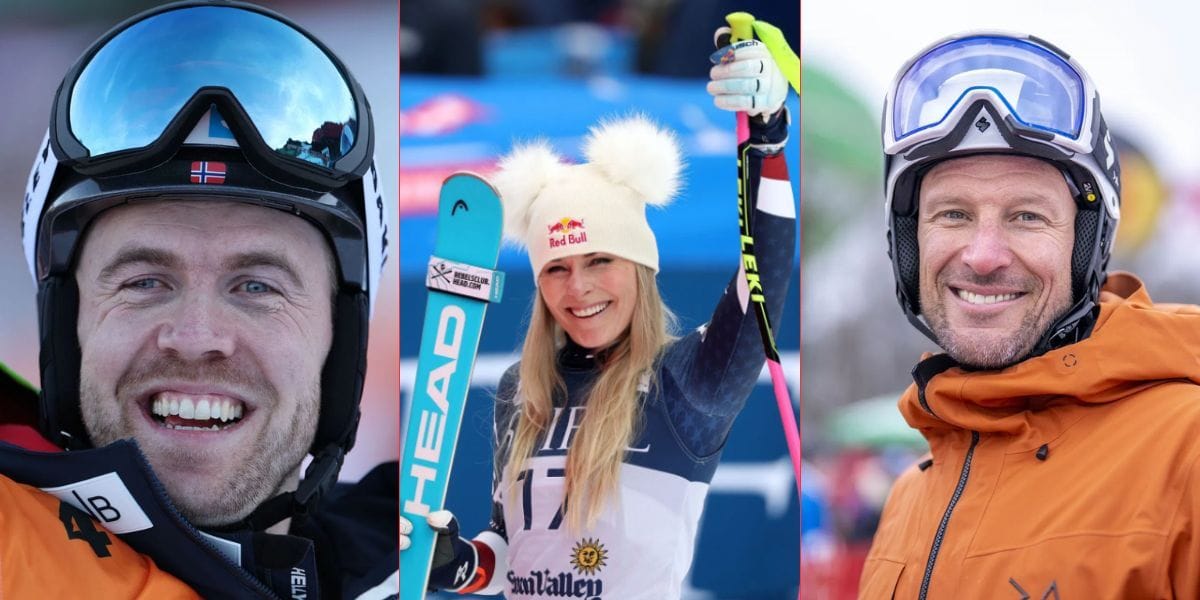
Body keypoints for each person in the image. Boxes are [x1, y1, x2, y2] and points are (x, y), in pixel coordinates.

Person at [1, 2, 397, 598]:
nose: (195, 336)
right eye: (144, 282)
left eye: (257, 286)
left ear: (339, 340)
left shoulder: (430, 559)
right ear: (67, 324)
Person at [399, 26, 797, 598]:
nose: (578, 288)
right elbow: (512, 547)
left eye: (600, 260)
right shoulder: (521, 388)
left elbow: (766, 276)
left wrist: (769, 135)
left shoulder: (687, 381)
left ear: (638, 267)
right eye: (556, 269)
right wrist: (458, 565)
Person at [859, 31, 1200, 598]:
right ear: (907, 243)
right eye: (953, 213)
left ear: (1084, 246)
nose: (984, 255)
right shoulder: (910, 497)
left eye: (1025, 217)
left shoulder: (1186, 452)